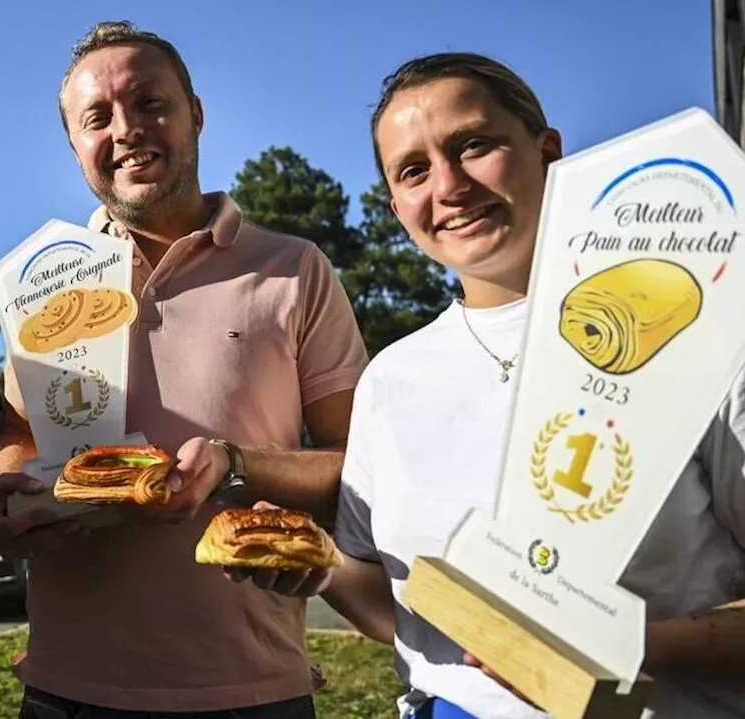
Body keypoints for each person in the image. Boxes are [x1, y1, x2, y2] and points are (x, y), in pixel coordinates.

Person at [240, 52, 745, 718]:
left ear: (548, 152)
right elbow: (406, 614)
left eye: (474, 145)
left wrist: (628, 643)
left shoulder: (705, 340)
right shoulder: (392, 377)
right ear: (396, 206)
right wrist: (323, 564)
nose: (448, 186)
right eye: (414, 170)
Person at [0, 21, 369, 718]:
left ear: (196, 113)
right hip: (69, 688)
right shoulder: (45, 281)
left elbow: (360, 463)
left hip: (253, 690)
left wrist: (235, 463)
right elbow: (19, 433)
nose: (126, 128)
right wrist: (1, 497)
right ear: (75, 145)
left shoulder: (296, 268)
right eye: (96, 118)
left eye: (150, 102)